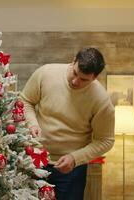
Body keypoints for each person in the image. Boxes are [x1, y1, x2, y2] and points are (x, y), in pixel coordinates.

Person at [20, 47, 115, 200]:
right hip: (35, 159)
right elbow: (25, 101)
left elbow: (106, 141)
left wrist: (75, 158)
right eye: (75, 73)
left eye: (84, 79)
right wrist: (32, 123)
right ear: (73, 62)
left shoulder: (101, 101)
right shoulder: (45, 73)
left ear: (95, 78)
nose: (75, 81)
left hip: (72, 170)